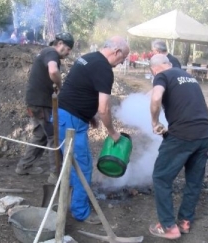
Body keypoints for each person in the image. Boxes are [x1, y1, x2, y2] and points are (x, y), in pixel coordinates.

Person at [57, 36, 129, 224]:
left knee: (71, 163)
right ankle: (80, 212)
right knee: (83, 167)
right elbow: (104, 108)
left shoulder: (89, 57)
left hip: (63, 116)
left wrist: (89, 117)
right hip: (71, 122)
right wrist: (112, 132)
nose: (120, 64)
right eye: (122, 59)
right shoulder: (104, 68)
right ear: (117, 52)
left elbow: (79, 89)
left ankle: (70, 199)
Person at [148, 54, 208, 240]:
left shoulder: (161, 76)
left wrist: (154, 122)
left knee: (161, 177)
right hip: (205, 133)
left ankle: (169, 227)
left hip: (183, 135)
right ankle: (185, 221)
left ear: (155, 68)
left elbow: (156, 97)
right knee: (193, 179)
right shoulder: (187, 76)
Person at [16, 33, 74, 182]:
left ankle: (25, 166)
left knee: (40, 135)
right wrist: (60, 87)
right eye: (68, 49)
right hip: (41, 103)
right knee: (54, 136)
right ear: (60, 43)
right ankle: (56, 174)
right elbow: (53, 71)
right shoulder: (51, 53)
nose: (68, 53)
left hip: (34, 101)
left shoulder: (44, 52)